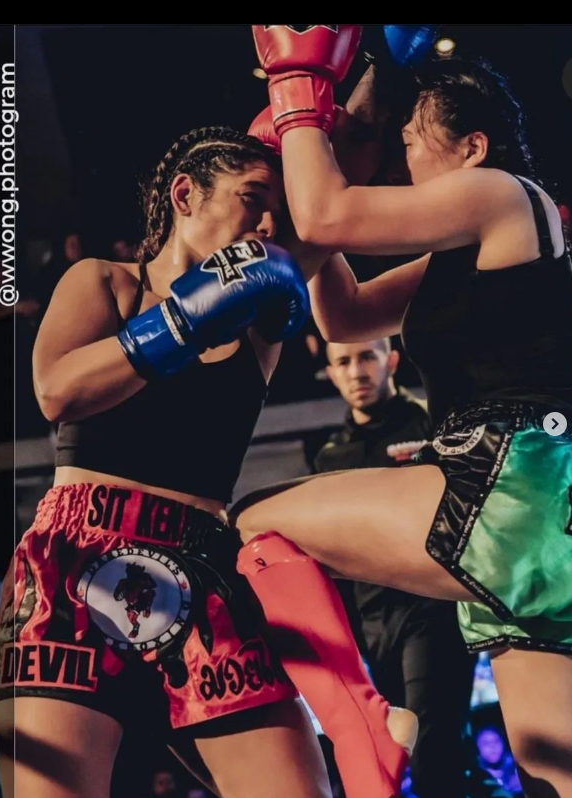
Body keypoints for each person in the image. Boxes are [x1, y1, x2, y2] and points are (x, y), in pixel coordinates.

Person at [231, 25, 572, 798]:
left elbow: (328, 217)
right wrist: (308, 179)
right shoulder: (478, 244)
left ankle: (367, 731)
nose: (401, 158)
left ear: (473, 146)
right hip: (537, 512)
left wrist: (298, 99)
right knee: (554, 773)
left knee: (259, 522)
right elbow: (343, 317)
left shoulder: (503, 196)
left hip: (515, 485)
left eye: (413, 140)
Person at [0, 125, 335, 798]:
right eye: (251, 197)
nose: (268, 222)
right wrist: (180, 322)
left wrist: (352, 73)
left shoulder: (260, 315)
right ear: (185, 194)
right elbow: (57, 391)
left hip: (201, 565)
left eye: (276, 210)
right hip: (75, 556)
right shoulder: (104, 283)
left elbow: (342, 175)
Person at [313, 338, 477, 798]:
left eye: (366, 356)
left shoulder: (431, 420)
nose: (356, 371)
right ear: (331, 371)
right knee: (429, 757)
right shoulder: (329, 457)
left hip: (434, 607)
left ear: (391, 360)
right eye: (343, 362)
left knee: (432, 758)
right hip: (371, 626)